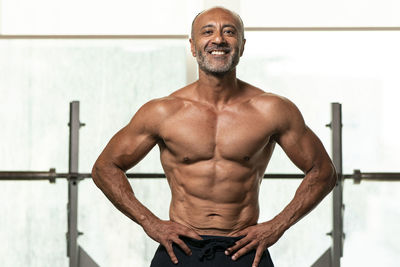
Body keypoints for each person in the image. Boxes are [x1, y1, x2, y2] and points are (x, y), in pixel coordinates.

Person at [91, 6, 337, 267]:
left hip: (245, 248)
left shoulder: (271, 109)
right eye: (208, 31)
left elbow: (323, 172)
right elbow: (104, 167)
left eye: (229, 32)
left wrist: (276, 226)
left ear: (242, 46)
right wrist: (150, 223)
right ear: (193, 46)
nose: (218, 39)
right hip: (180, 248)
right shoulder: (163, 111)